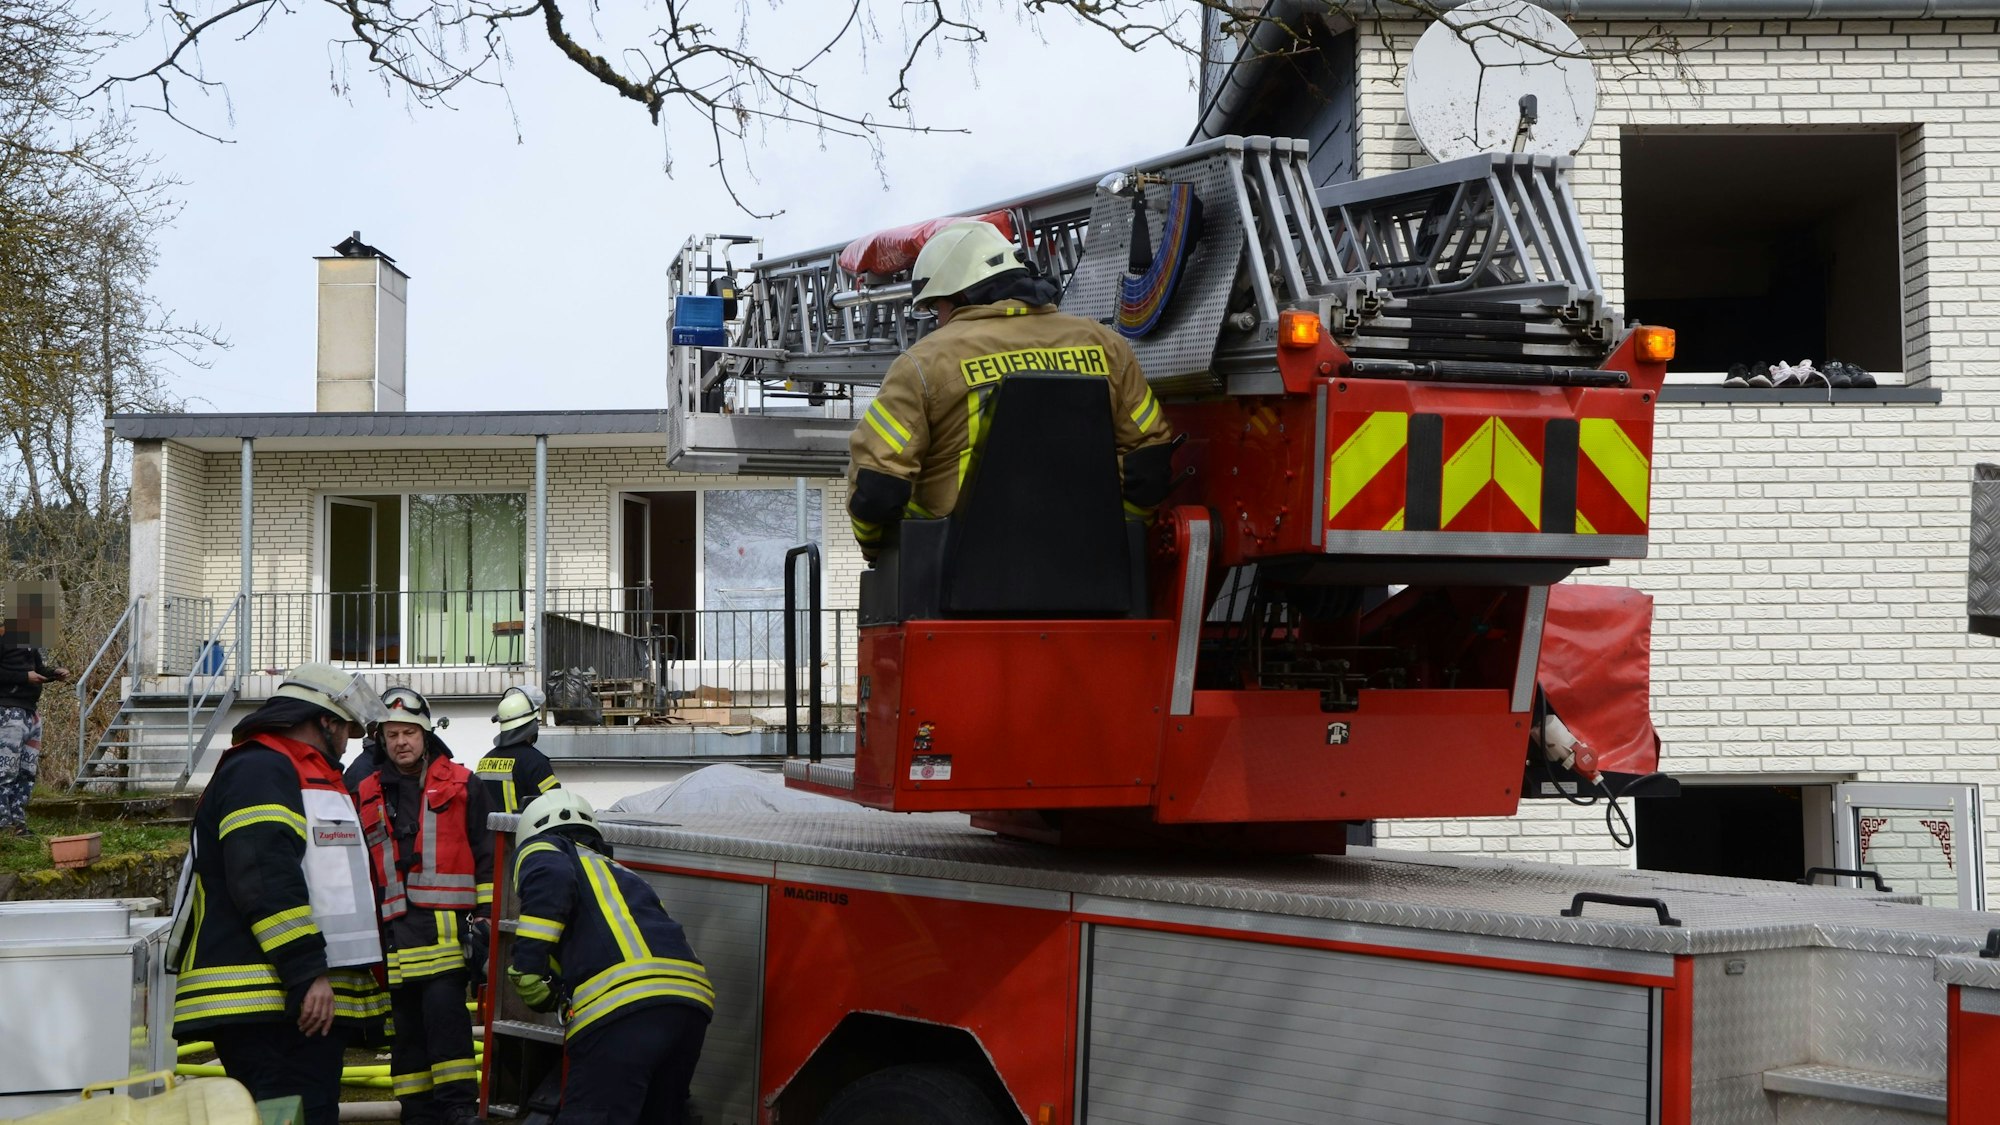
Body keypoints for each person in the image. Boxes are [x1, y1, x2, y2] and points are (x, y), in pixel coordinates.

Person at [846, 219, 1175, 556]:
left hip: (954, 587)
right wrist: (1116, 541)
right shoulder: (1106, 346)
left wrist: (887, 561)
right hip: (1098, 583)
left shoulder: (924, 364)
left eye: (935, 307)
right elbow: (1149, 463)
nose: (938, 319)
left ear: (957, 294)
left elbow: (876, 489)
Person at [169, 663, 393, 1125]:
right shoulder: (261, 768)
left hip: (293, 1000)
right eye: (346, 727)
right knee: (287, 1113)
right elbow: (263, 876)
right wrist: (307, 971)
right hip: (268, 999)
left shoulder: (297, 771)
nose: (349, 740)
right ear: (324, 720)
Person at [507, 790, 712, 1125]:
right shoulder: (620, 873)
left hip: (625, 1008)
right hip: (689, 1005)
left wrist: (528, 966)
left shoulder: (545, 848)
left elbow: (552, 880)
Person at [355, 686, 493, 1125]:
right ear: (381, 739)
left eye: (409, 733)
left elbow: (488, 854)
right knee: (406, 1036)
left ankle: (457, 1110)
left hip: (446, 940)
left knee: (447, 1028)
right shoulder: (366, 792)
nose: (401, 742)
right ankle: (416, 1114)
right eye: (392, 734)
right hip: (393, 939)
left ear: (426, 735)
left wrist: (488, 919)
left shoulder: (464, 783)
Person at [0, 620, 64, 838]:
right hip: (8, 710)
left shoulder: (30, 643)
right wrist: (23, 677)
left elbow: (39, 670)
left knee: (26, 772)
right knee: (5, 770)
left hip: (30, 712)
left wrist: (54, 673)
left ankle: (18, 822)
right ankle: (3, 823)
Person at [475, 685, 560, 815]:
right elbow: (555, 805)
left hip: (488, 835)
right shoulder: (535, 762)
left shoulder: (485, 761)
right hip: (521, 834)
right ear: (531, 726)